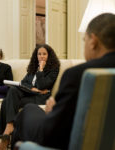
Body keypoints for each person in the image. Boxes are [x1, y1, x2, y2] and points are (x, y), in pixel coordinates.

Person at [10, 13, 115, 150]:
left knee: (28, 111)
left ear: (93, 41)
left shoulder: (78, 74)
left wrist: (52, 111)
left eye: (84, 40)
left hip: (61, 141)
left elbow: (53, 134)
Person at [0, 44, 60, 150]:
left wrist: (41, 69)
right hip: (30, 93)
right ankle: (9, 128)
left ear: (49, 55)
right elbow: (23, 82)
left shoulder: (54, 69)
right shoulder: (32, 67)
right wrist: (33, 88)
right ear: (36, 55)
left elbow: (43, 85)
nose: (41, 56)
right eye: (39, 54)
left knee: (7, 101)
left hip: (41, 97)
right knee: (11, 93)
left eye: (44, 54)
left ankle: (6, 134)